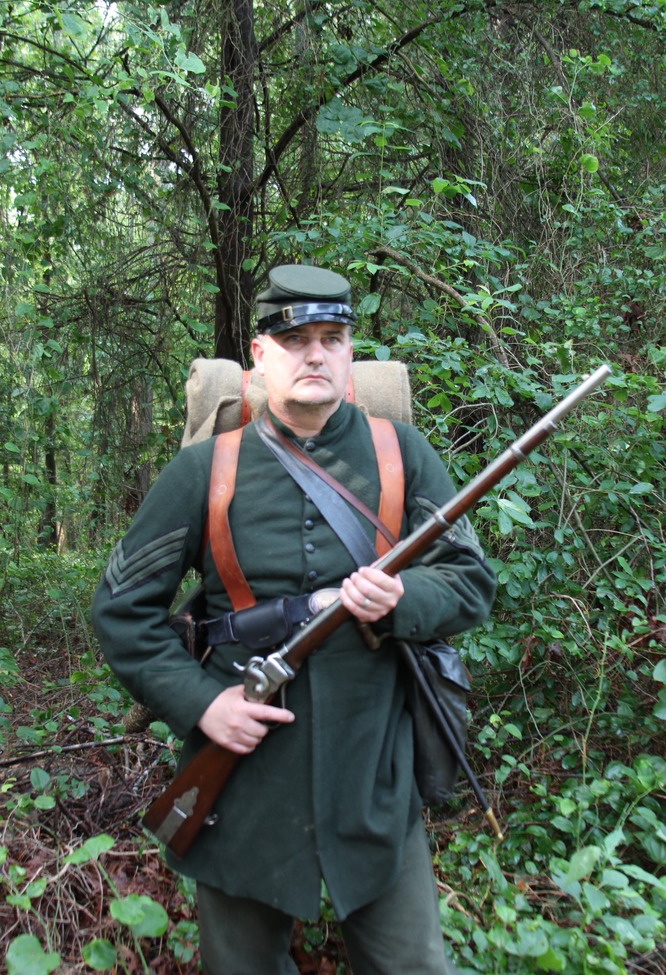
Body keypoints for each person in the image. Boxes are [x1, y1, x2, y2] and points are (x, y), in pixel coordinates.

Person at [91, 263, 496, 975]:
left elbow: (470, 583)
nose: (315, 354)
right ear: (261, 353)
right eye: (296, 337)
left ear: (349, 351)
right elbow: (122, 612)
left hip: (376, 773)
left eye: (332, 337)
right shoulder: (203, 472)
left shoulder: (403, 455)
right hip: (244, 784)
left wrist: (404, 601)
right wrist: (203, 703)